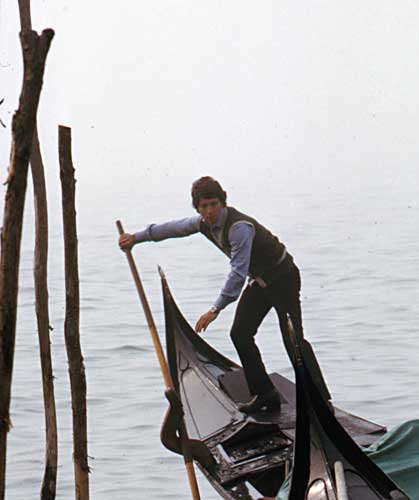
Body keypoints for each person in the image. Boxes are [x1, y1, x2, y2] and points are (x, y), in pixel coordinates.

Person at [118, 176, 330, 414]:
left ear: (223, 203)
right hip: (260, 281)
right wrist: (136, 238)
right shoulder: (203, 223)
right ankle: (265, 394)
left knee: (293, 341)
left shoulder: (239, 228)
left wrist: (214, 309)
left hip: (283, 279)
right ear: (198, 208)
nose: (210, 211)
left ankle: (321, 401)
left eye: (214, 204)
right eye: (204, 206)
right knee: (240, 333)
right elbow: (174, 228)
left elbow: (237, 275)